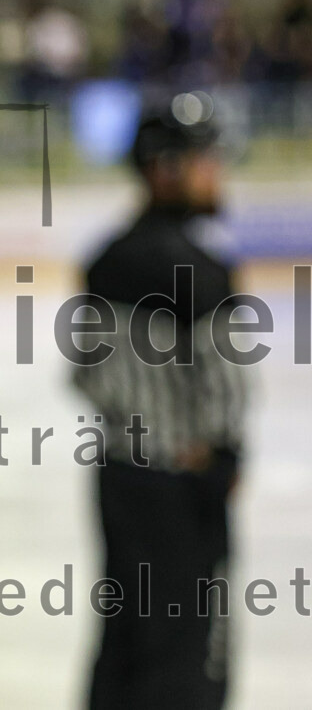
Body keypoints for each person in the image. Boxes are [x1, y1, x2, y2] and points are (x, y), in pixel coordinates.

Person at [73, 95, 246, 709]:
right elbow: (225, 391)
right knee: (189, 657)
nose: (216, 172)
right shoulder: (203, 271)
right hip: (184, 483)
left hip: (120, 477)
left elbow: (86, 375)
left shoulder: (105, 262)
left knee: (124, 644)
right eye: (206, 159)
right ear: (165, 167)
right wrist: (223, 460)